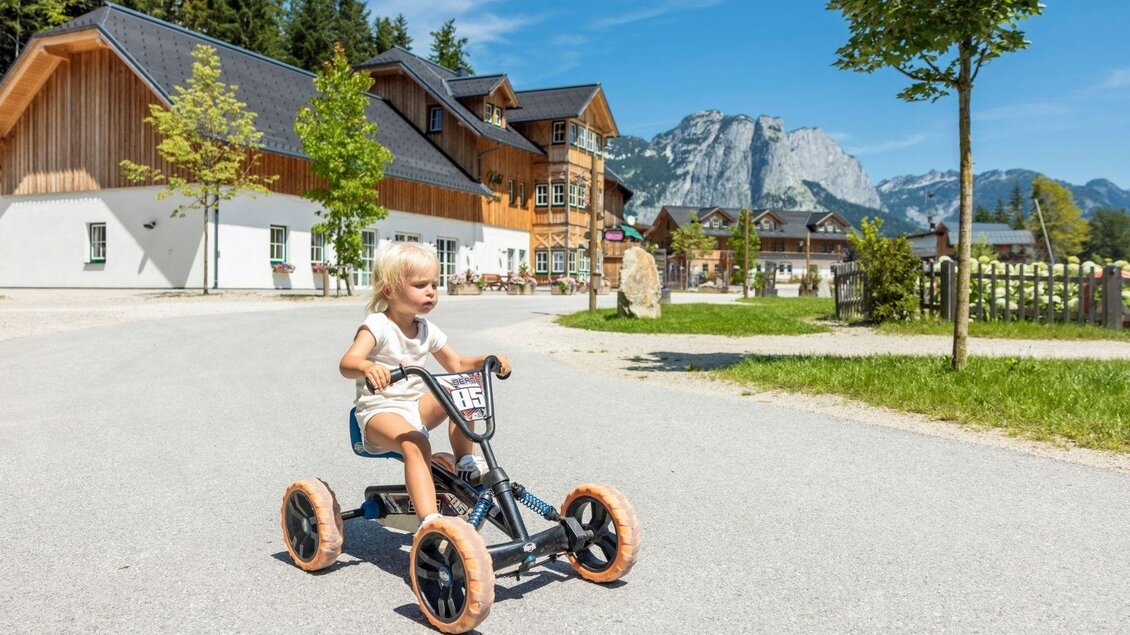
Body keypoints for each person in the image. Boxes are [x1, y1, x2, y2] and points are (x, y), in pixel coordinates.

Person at [339, 242, 511, 527]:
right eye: (420, 285)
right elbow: (347, 363)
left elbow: (456, 364)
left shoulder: (427, 329)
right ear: (390, 291)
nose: (431, 291)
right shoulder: (377, 326)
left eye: (434, 283)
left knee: (459, 391)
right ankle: (429, 522)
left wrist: (487, 360)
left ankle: (465, 464)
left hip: (413, 409)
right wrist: (367, 366)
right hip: (378, 413)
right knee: (416, 443)